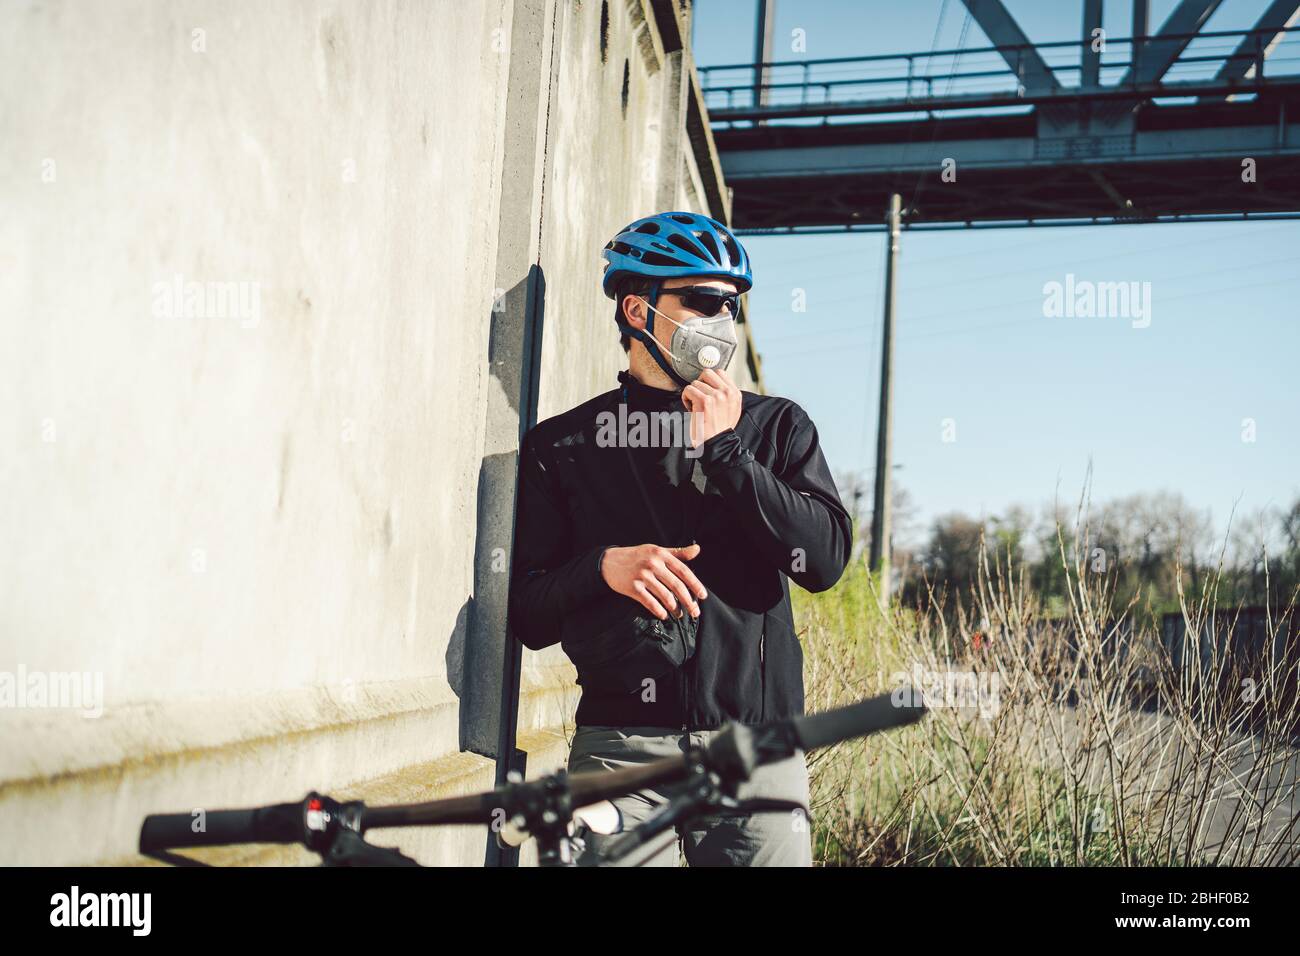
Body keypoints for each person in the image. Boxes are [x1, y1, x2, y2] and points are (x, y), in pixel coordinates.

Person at [509, 211, 852, 866]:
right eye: (701, 300)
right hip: (620, 760)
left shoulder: (776, 427)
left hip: (757, 759)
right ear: (639, 310)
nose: (722, 319)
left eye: (730, 305)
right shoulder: (562, 446)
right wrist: (602, 569)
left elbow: (825, 560)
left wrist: (728, 453)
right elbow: (527, 614)